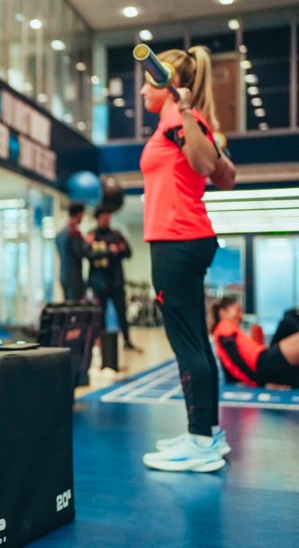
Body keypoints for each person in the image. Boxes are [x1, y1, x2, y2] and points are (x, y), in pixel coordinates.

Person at [137, 46, 236, 473]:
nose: (142, 88)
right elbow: (226, 174)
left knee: (186, 343)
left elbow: (206, 167)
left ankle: (200, 443)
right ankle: (206, 431)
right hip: (183, 240)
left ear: (167, 83)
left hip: (177, 242)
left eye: (148, 80)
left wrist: (185, 108)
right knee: (196, 340)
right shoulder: (176, 122)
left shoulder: (179, 119)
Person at [211, 297, 299, 389]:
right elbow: (236, 359)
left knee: (289, 318)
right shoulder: (224, 327)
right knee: (289, 319)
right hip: (265, 363)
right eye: (238, 311)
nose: (241, 316)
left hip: (265, 364)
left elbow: (231, 368)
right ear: (222, 312)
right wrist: (260, 382)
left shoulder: (225, 331)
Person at [85, 206, 140, 352]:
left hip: (116, 282)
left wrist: (119, 250)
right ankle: (102, 342)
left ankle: (127, 341)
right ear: (98, 219)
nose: (106, 221)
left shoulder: (116, 234)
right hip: (99, 283)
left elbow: (128, 252)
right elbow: (87, 254)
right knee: (100, 315)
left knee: (122, 312)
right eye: (103, 218)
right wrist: (110, 251)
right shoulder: (92, 235)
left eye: (108, 218)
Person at [55, 202, 86, 301]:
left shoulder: (60, 234)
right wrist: (87, 243)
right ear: (80, 214)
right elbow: (80, 252)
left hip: (64, 275)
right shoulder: (74, 233)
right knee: (75, 308)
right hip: (74, 277)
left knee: (68, 306)